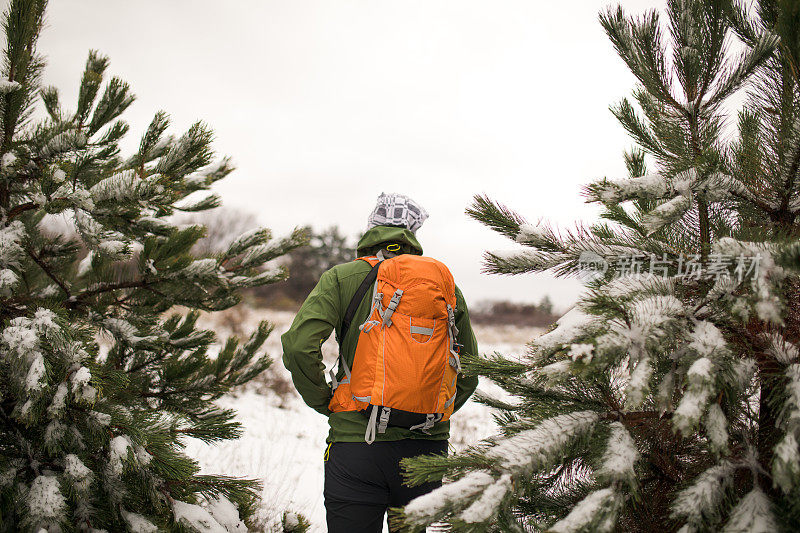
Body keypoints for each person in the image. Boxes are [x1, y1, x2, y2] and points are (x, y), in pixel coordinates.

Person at [281, 193, 479, 533]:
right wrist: (430, 410)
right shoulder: (444, 285)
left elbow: (299, 346)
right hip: (425, 448)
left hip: (357, 443)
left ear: (371, 228)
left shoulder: (342, 278)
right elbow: (469, 368)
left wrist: (327, 402)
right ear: (412, 233)